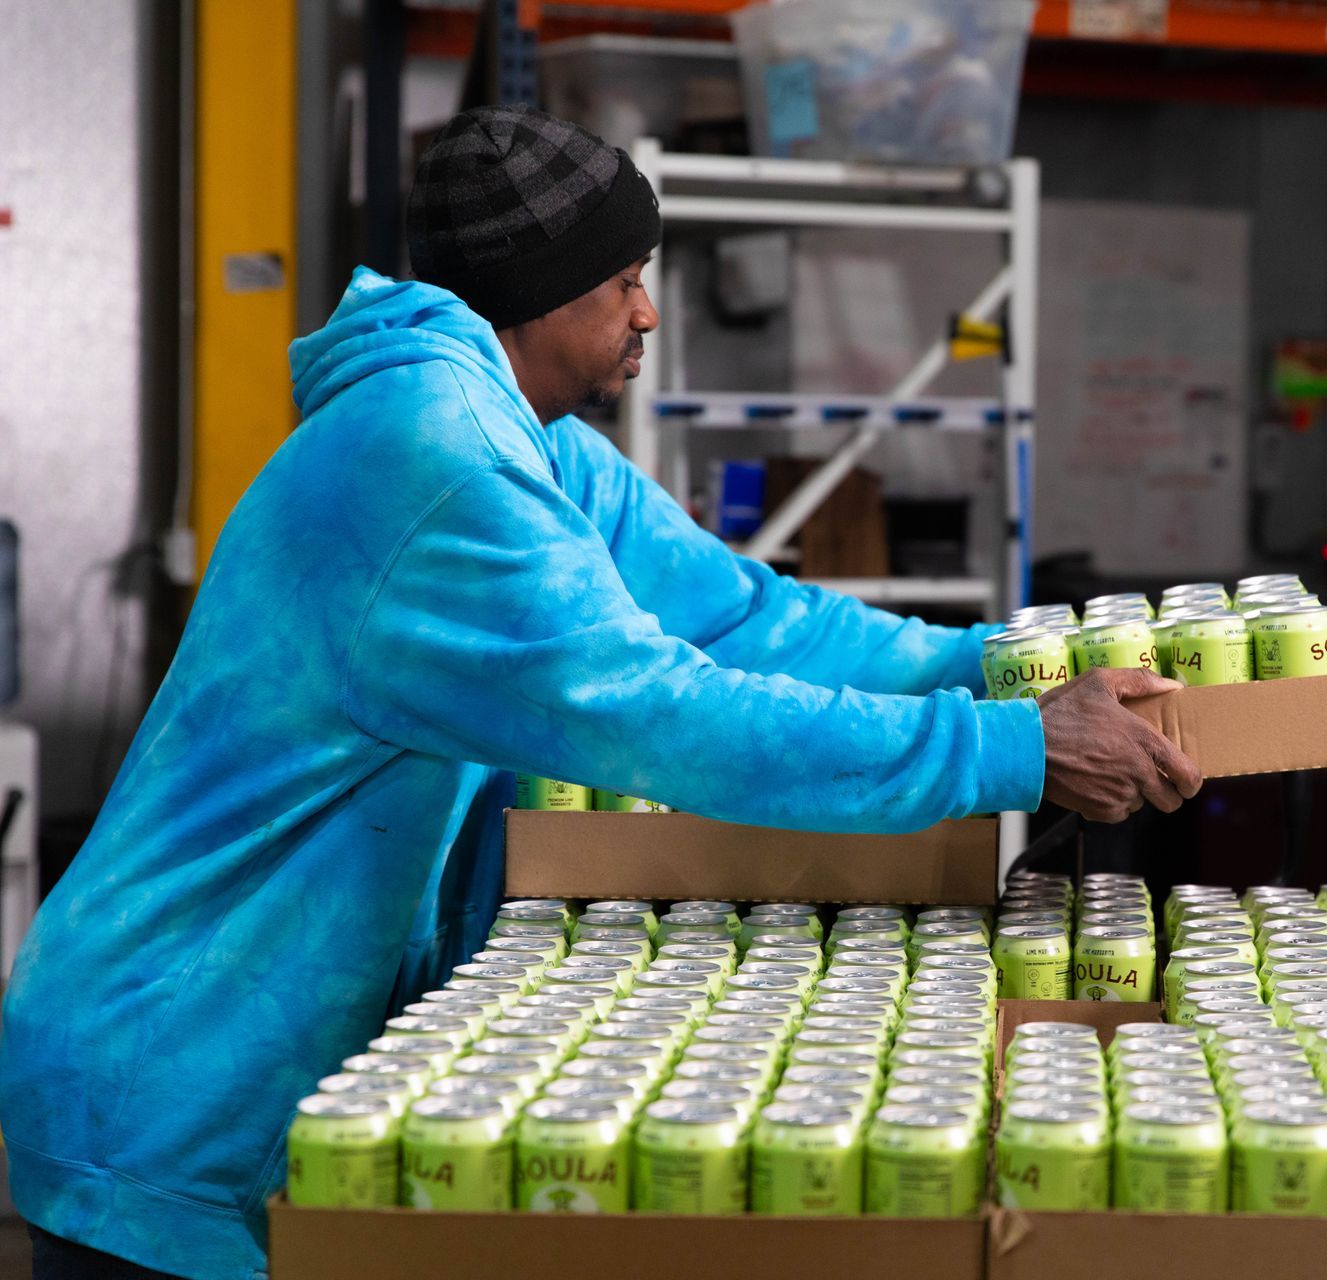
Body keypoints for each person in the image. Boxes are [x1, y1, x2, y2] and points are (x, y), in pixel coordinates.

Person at [0, 106, 1199, 1279]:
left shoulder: (526, 437)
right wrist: (1009, 750)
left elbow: (742, 616)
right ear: (536, 295)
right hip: (171, 1073)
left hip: (266, 1052)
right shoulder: (438, 458)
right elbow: (664, 712)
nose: (648, 311)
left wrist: (1004, 665)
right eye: (622, 277)